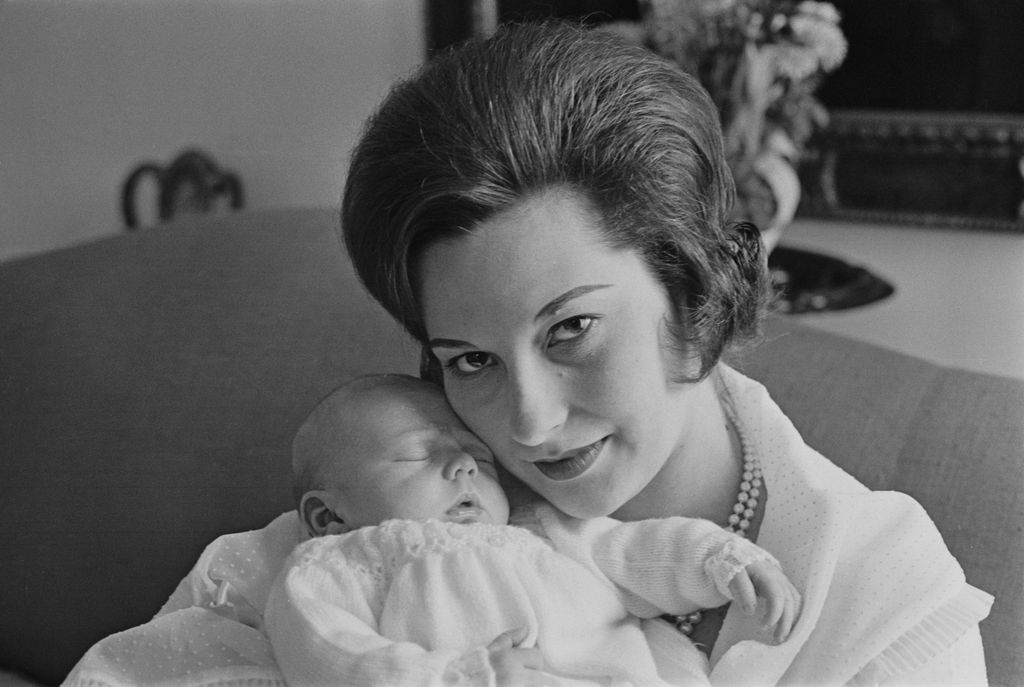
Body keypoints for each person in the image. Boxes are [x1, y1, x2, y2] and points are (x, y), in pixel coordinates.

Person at [339, 20, 994, 685]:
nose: (529, 424)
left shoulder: (885, 606)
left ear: (694, 289)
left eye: (571, 328)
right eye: (472, 360)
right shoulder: (416, 515)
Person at [265, 373, 801, 687]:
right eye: (420, 455)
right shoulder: (339, 566)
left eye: (478, 455)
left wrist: (723, 559)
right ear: (328, 517)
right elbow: (332, 657)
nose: (464, 466)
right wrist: (462, 677)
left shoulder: (538, 527)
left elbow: (635, 552)